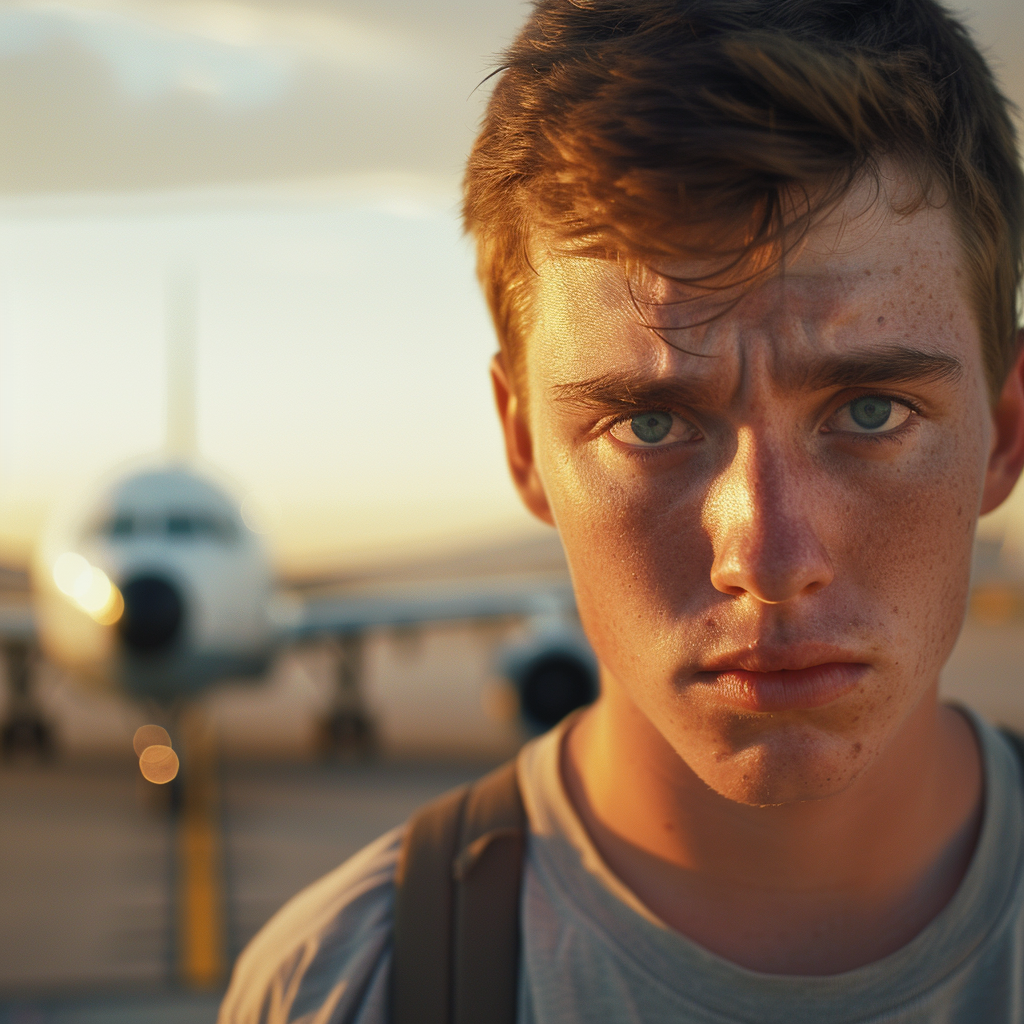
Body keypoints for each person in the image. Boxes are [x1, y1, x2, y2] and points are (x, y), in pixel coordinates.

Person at [219, 0, 1024, 1020]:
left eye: (872, 411)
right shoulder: (344, 989)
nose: (768, 554)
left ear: (1003, 432)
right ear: (523, 446)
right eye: (649, 426)